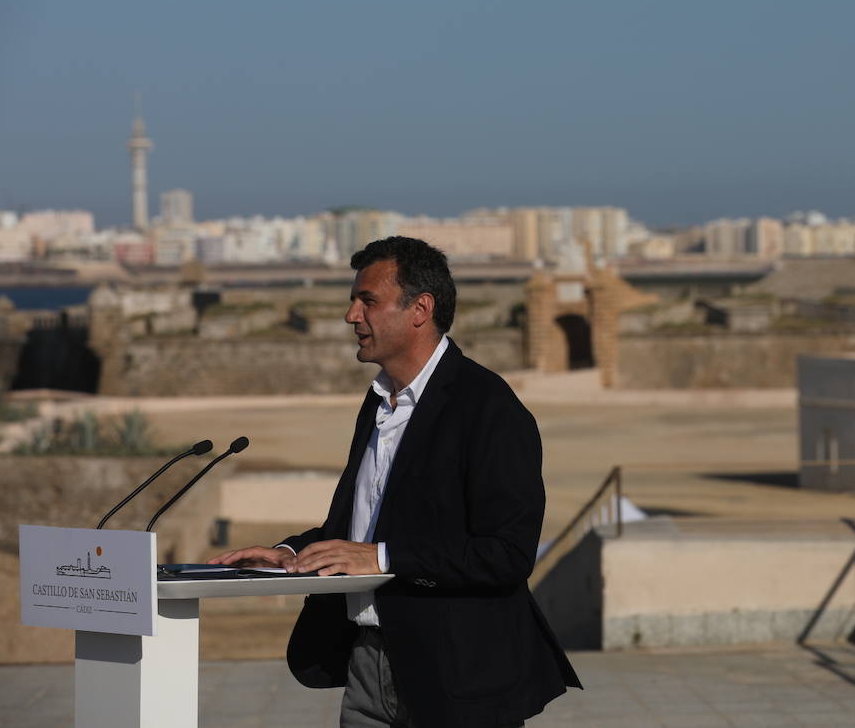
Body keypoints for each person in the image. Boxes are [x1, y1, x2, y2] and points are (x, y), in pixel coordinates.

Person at [211, 236, 579, 727]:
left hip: (457, 677)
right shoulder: (378, 402)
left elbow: (507, 554)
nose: (350, 316)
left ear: (420, 309)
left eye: (367, 300)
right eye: (353, 300)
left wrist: (384, 558)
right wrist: (290, 554)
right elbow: (356, 528)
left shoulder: (490, 408)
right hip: (366, 665)